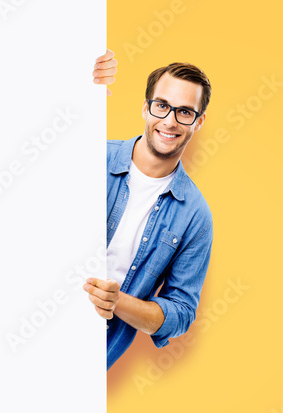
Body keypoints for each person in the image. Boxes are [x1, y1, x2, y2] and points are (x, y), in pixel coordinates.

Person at [85, 50, 214, 370]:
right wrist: (81, 83)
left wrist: (118, 302)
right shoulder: (89, 155)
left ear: (199, 122)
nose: (170, 121)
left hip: (92, 356)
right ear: (146, 107)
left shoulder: (195, 216)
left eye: (185, 112)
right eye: (162, 106)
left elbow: (181, 313)